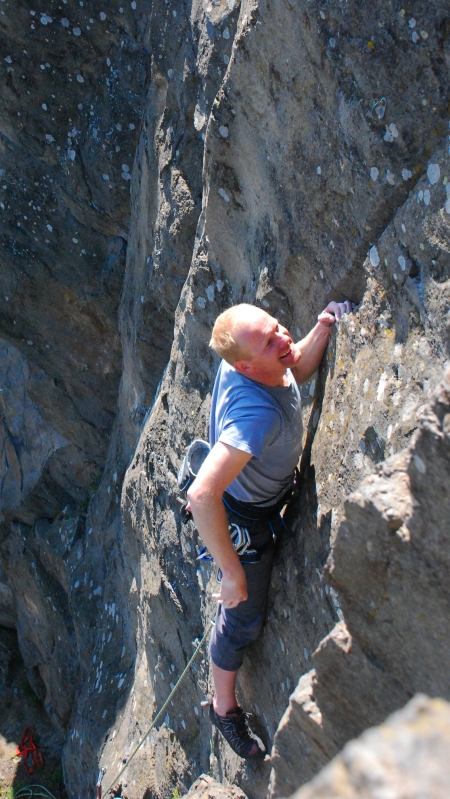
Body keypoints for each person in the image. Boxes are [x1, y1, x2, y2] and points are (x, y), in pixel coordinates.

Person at [186, 299, 352, 759]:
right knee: (242, 617)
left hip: (259, 494)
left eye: (277, 327)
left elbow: (292, 371)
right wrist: (232, 572)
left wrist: (322, 326)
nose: (283, 338)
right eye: (270, 339)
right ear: (246, 363)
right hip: (245, 517)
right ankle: (222, 707)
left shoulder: (250, 362)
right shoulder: (255, 417)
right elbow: (201, 496)